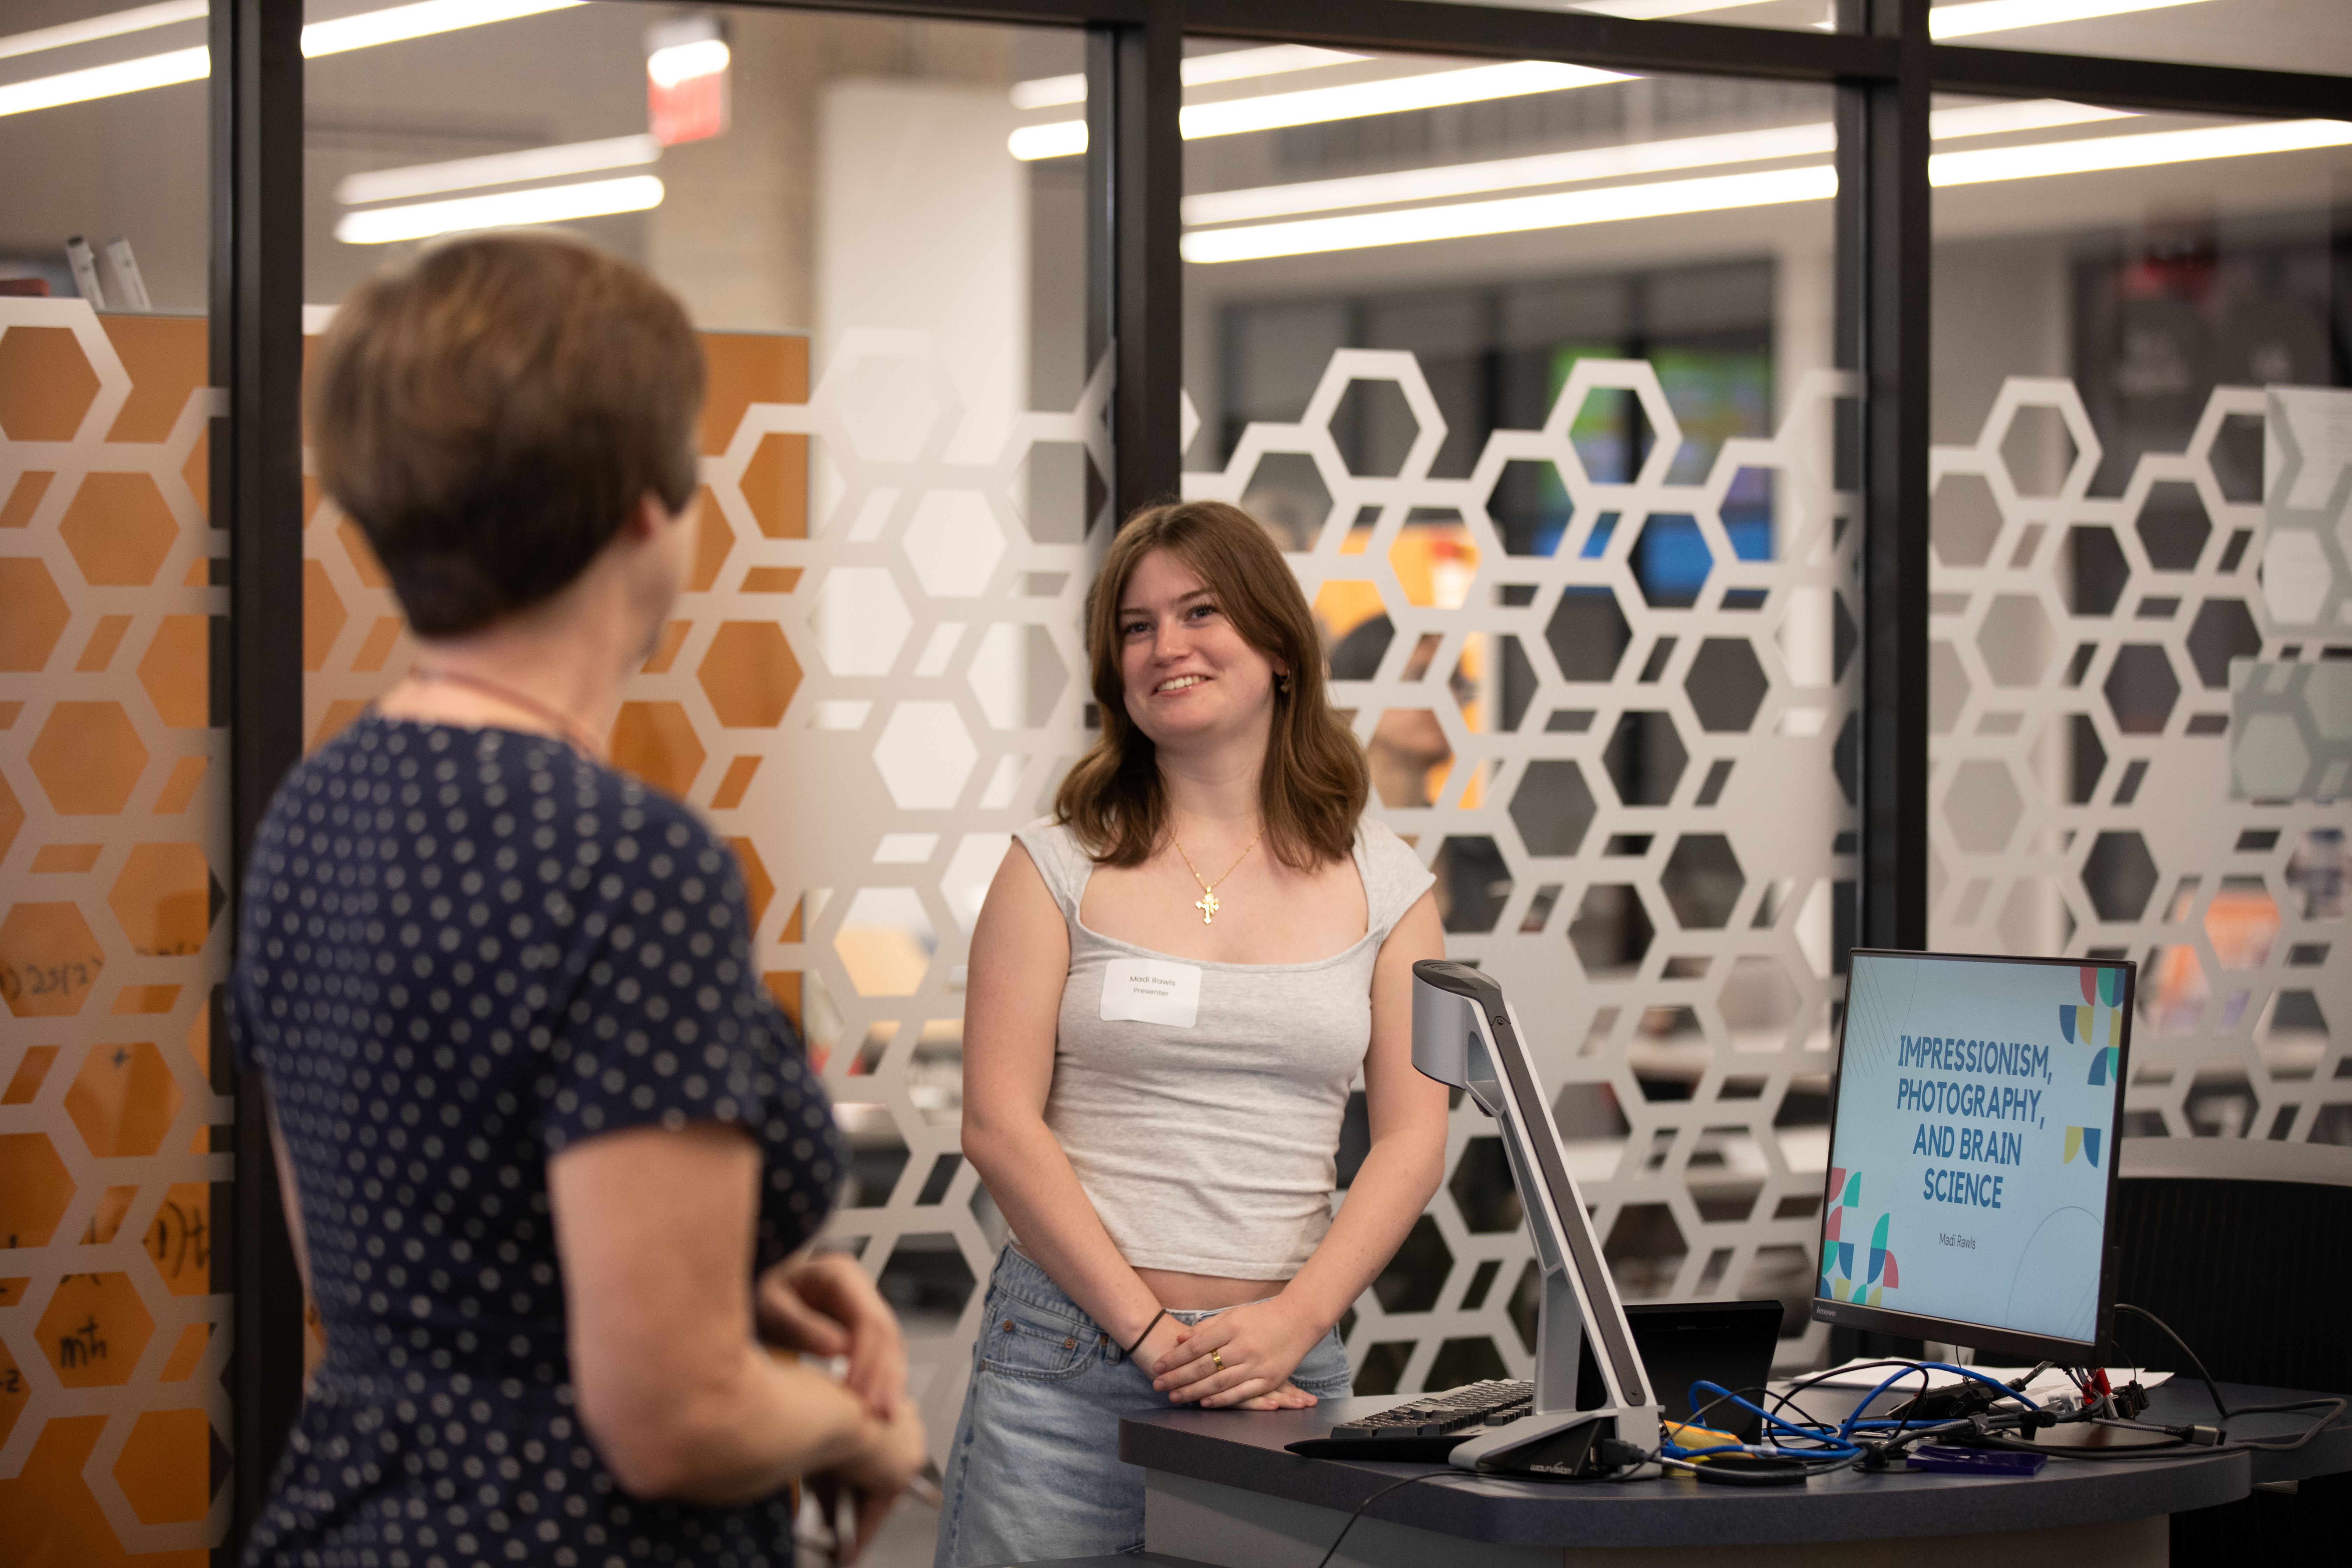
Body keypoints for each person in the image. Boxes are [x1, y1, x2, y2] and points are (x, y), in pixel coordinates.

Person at [229, 234, 927, 1567]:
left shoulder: (312, 817)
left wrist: (722, 1279)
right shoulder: (625, 861)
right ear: (643, 514)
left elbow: (392, 1276)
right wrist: (852, 1431)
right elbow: (671, 1416)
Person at [936, 500, 1451, 1565]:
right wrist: (1148, 1335)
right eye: (1135, 626)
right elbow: (998, 1124)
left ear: (1275, 645)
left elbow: (1412, 1140)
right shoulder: (1055, 865)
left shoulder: (1389, 884)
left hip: (1284, 1377)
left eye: (1199, 611)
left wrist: (1298, 1324)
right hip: (1068, 1362)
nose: (1165, 645)